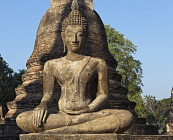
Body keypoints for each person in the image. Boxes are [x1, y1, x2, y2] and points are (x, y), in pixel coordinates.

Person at [16, 0, 133, 134]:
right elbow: (48, 95)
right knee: (22, 118)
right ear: (63, 37)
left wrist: (89, 108)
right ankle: (76, 127)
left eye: (80, 34)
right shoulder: (51, 65)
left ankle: (65, 130)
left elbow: (103, 94)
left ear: (86, 37)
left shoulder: (98, 63)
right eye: (70, 35)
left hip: (88, 114)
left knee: (126, 117)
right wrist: (42, 105)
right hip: (62, 116)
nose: (75, 39)